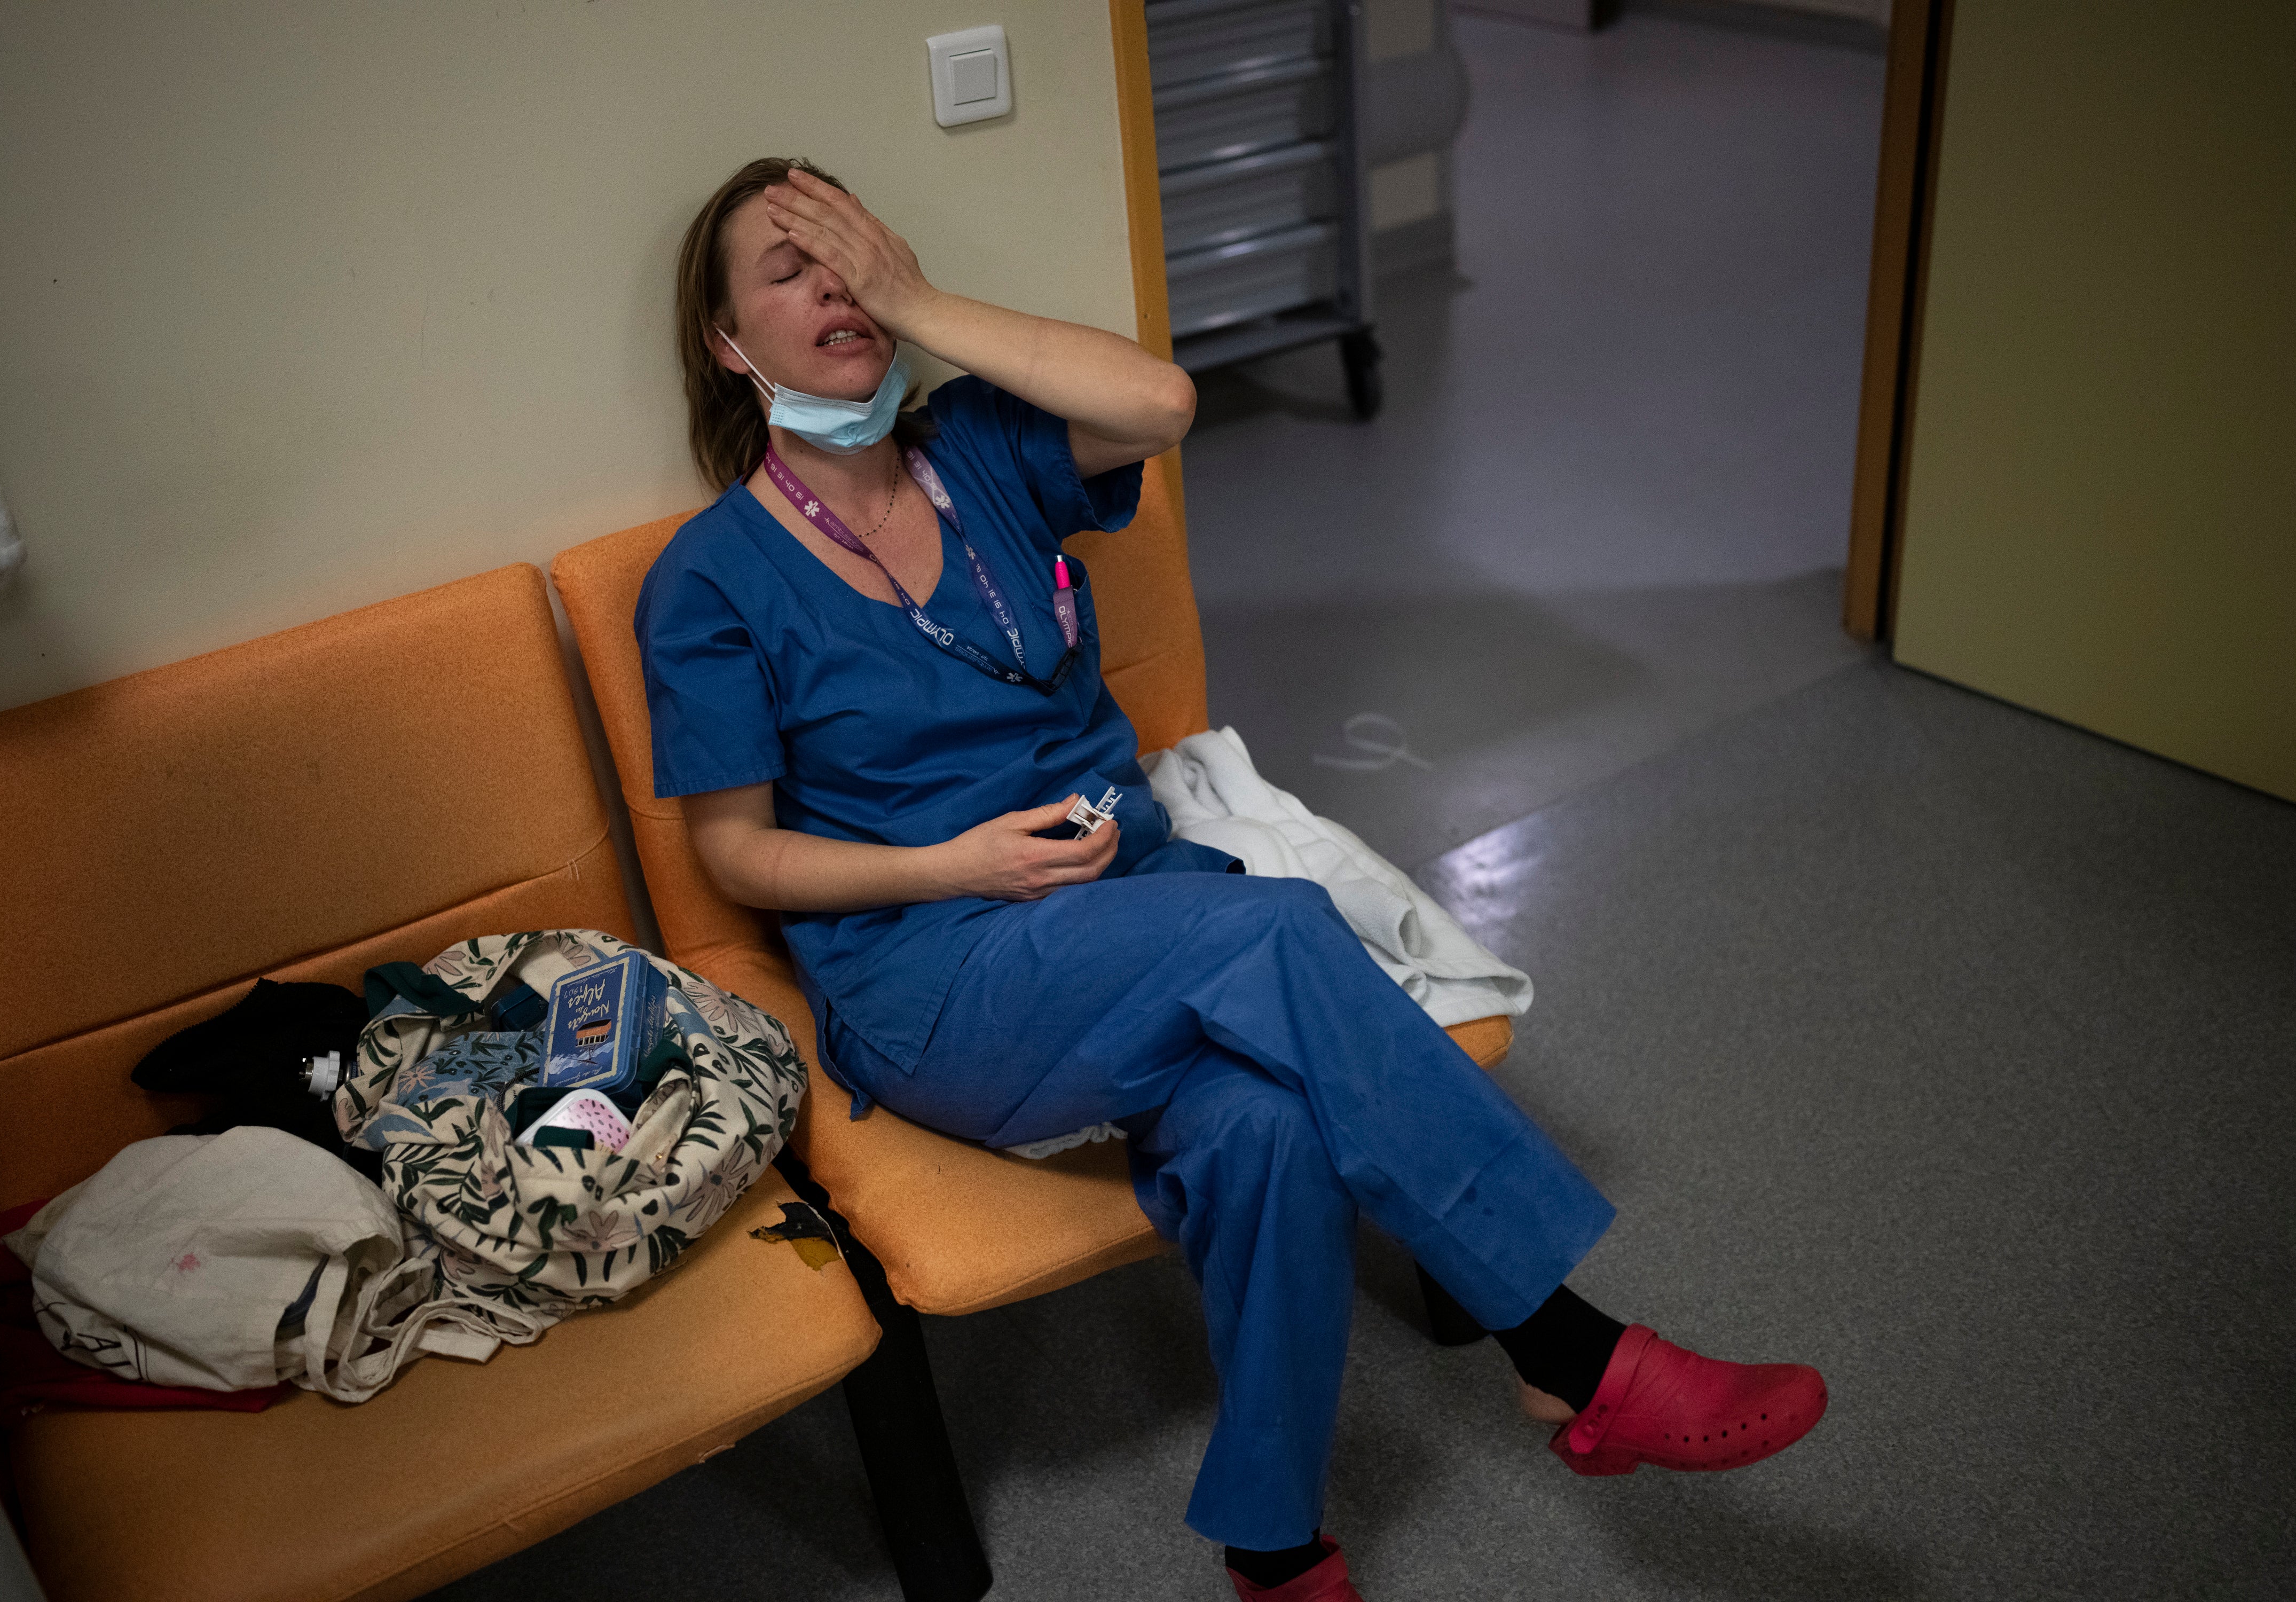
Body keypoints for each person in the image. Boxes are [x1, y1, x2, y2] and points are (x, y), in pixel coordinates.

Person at [636, 156, 1827, 1602]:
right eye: (787, 268)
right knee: (1269, 933)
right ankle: (1572, 1355)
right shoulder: (710, 580)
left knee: (1260, 1131)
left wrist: (923, 301)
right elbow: (733, 851)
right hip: (937, 973)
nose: (832, 287)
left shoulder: (979, 450)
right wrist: (950, 861)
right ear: (724, 343)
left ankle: (1274, 1546)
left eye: (850, 254)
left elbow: (1161, 403)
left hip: (1129, 914)